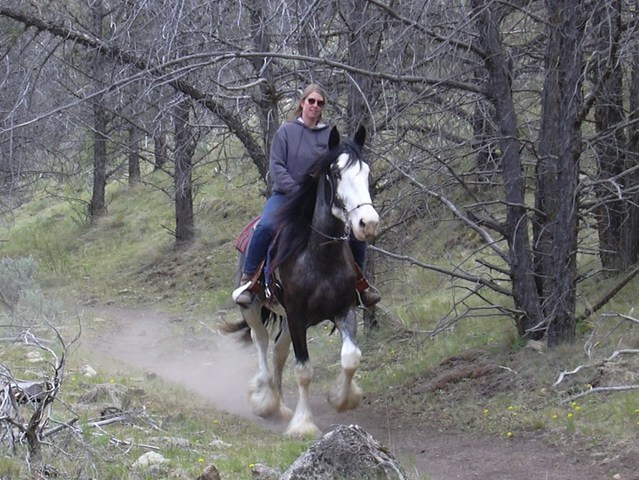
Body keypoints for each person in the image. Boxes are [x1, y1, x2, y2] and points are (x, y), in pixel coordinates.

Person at [232, 84, 381, 308]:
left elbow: (336, 168)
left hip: (318, 200)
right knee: (265, 227)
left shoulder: (329, 135)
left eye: (320, 103)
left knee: (353, 230)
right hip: (285, 196)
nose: (315, 106)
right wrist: (295, 191)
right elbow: (277, 166)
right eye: (311, 101)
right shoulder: (286, 132)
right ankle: (249, 280)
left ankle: (358, 284)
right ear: (302, 102)